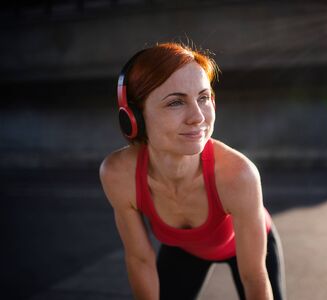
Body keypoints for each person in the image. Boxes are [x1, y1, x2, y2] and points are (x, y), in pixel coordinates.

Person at [99, 42, 286, 300]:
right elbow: (140, 259)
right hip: (185, 249)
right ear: (133, 118)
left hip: (248, 248)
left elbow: (253, 277)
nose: (198, 117)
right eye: (176, 102)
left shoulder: (238, 175)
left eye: (203, 97)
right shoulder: (118, 174)